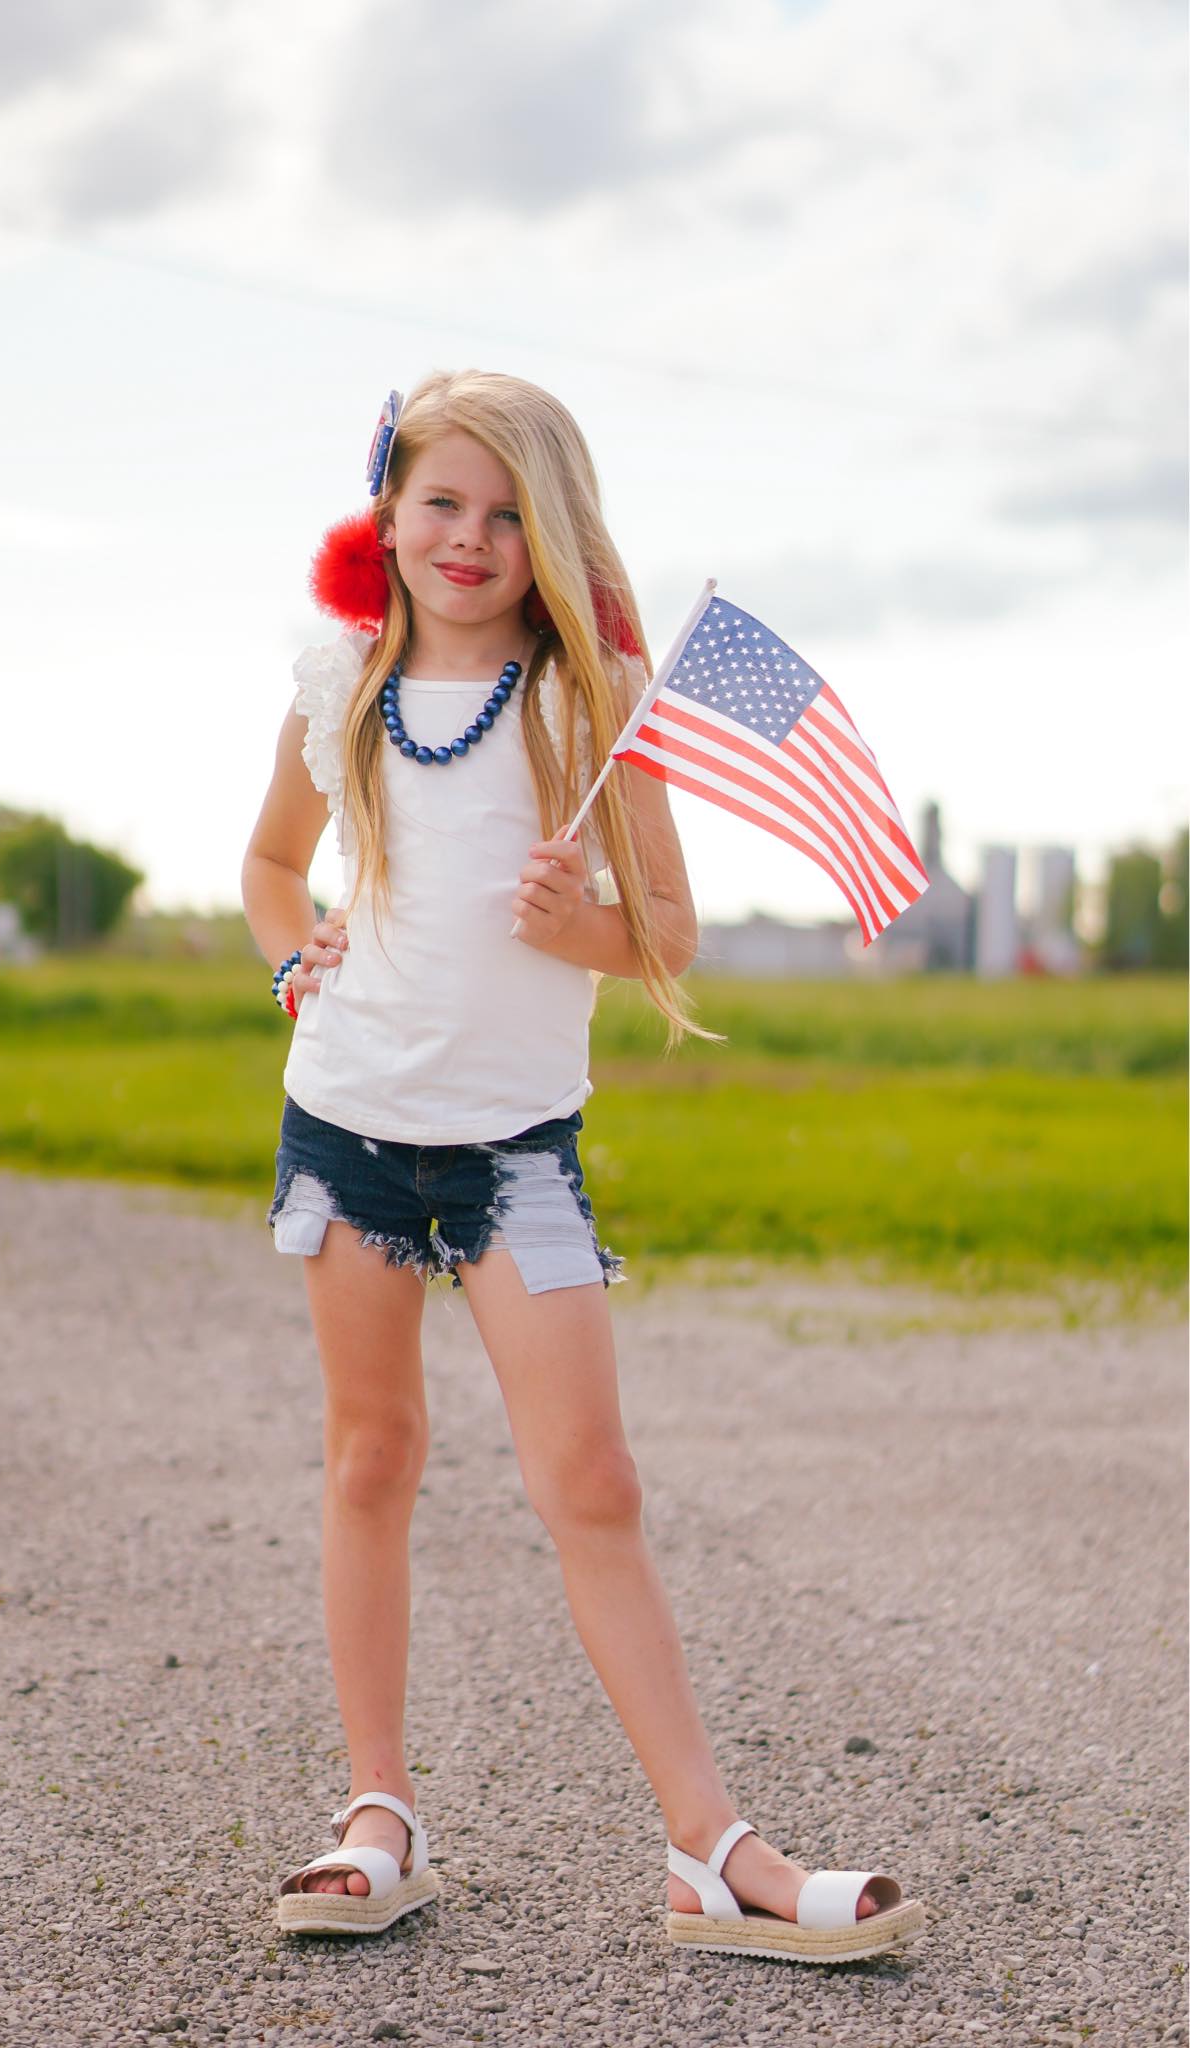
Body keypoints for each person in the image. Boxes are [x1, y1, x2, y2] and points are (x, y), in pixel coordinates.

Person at [239, 370, 925, 1963]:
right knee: (370, 1459)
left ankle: (710, 1849)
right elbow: (272, 865)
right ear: (385, 514)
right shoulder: (335, 676)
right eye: (438, 503)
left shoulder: (587, 701)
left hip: (512, 1155)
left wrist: (582, 929)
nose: (466, 538)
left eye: (500, 512)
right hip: (344, 1133)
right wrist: (292, 965)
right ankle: (376, 1815)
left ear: (544, 530)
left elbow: (668, 934)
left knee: (591, 1482)